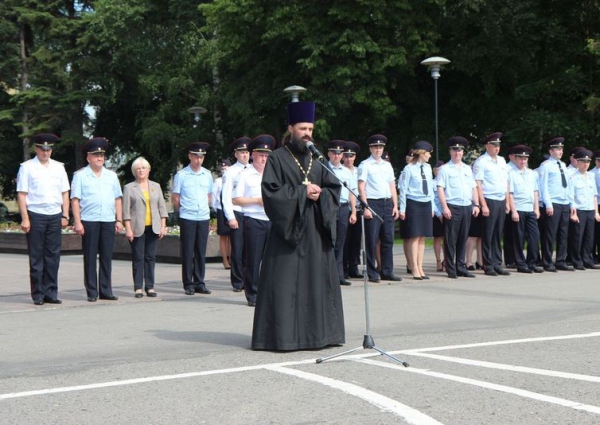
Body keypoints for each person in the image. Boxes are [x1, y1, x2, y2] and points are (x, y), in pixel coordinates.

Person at [251, 100, 345, 351]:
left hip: (315, 231)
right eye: (303, 128)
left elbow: (334, 189)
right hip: (288, 233)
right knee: (286, 286)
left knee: (316, 284)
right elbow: (271, 193)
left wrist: (320, 194)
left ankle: (319, 336)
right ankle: (283, 337)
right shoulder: (278, 159)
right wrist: (302, 192)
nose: (307, 134)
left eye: (311, 129)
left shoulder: (318, 157)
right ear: (291, 128)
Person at [16, 133, 70, 305]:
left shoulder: (58, 167)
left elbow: (65, 192)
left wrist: (65, 214)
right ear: (36, 149)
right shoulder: (27, 167)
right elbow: (22, 194)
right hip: (36, 214)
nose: (45, 152)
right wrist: (25, 218)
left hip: (54, 214)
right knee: (36, 256)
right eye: (42, 149)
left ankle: (51, 292)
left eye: (48, 149)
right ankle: (38, 293)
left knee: (53, 256)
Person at [71, 137, 123, 302]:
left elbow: (117, 199)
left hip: (108, 219)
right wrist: (77, 221)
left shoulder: (111, 176)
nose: (100, 158)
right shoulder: (80, 176)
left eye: (102, 155)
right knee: (90, 257)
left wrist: (119, 219)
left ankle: (106, 290)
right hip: (89, 220)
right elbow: (75, 200)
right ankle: (92, 291)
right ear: (88, 158)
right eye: (96, 155)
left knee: (107, 256)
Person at [232, 134, 275, 306]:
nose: (264, 158)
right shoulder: (245, 174)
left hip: (272, 220)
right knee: (253, 259)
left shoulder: (273, 174)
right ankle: (252, 294)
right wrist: (257, 201)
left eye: (267, 155)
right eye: (261, 155)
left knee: (271, 260)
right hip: (254, 220)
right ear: (253, 155)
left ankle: (268, 292)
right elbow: (236, 199)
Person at [122, 157, 168, 298]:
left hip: (153, 227)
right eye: (138, 168)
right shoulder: (129, 188)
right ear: (134, 172)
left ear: (148, 170)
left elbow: (162, 208)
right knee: (138, 258)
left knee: (150, 257)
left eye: (143, 168)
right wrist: (128, 229)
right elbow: (126, 211)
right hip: (137, 228)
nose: (141, 170)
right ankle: (138, 288)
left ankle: (150, 286)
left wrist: (163, 226)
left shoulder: (156, 186)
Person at [171, 142, 213, 296]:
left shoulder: (207, 174)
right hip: (187, 216)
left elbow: (209, 195)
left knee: (201, 252)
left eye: (201, 157)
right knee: (188, 251)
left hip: (203, 216)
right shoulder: (181, 175)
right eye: (196, 156)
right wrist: (184, 210)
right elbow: (176, 198)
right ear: (190, 156)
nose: (198, 160)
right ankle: (188, 283)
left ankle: (200, 282)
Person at [358, 134, 401, 283]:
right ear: (370, 148)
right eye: (375, 147)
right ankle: (372, 272)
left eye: (380, 147)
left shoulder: (387, 165)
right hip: (373, 202)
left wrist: (395, 205)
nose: (378, 150)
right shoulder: (365, 165)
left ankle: (387, 271)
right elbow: (361, 187)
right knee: (371, 239)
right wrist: (366, 207)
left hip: (387, 202)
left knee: (388, 239)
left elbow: (392, 186)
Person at [436, 136, 479, 279]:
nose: (457, 153)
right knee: (450, 239)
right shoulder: (445, 169)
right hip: (452, 206)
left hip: (466, 206)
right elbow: (440, 189)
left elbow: (473, 187)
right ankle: (450, 267)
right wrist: (444, 207)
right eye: (455, 150)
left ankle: (461, 267)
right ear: (450, 151)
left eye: (460, 150)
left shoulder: (467, 168)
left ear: (463, 152)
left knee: (463, 238)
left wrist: (476, 204)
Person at [473, 132, 510, 276]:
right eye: (494, 145)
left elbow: (505, 182)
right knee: (488, 234)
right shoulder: (481, 162)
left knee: (497, 234)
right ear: (487, 146)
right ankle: (488, 265)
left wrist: (507, 201)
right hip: (489, 199)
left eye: (498, 145)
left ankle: (497, 263)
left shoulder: (501, 161)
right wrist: (483, 204)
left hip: (501, 199)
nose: (497, 148)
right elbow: (478, 184)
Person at [398, 140, 435, 280]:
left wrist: (432, 206)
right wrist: (402, 209)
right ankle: (414, 267)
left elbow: (430, 188)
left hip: (425, 203)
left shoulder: (428, 167)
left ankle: (420, 266)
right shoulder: (409, 169)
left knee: (422, 237)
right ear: (421, 154)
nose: (429, 156)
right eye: (428, 154)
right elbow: (403, 190)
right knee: (414, 235)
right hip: (413, 203)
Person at [538, 137, 574, 272]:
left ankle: (560, 260)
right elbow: (544, 186)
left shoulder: (563, 165)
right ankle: (547, 261)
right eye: (557, 149)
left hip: (564, 202)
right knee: (550, 233)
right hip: (553, 202)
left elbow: (568, 186)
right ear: (551, 151)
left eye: (561, 149)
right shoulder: (546, 165)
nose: (560, 152)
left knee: (563, 233)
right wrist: (548, 203)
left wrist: (571, 203)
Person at [221, 137, 251, 292]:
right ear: (236, 154)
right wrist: (230, 217)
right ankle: (237, 281)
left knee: (249, 249)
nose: (245, 155)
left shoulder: (253, 170)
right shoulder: (231, 171)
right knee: (238, 249)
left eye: (247, 152)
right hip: (237, 212)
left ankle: (248, 279)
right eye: (242, 152)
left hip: (251, 213)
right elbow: (226, 197)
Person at [507, 145, 543, 274]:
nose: (523, 161)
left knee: (534, 236)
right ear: (515, 159)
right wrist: (514, 211)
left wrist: (536, 208)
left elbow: (535, 192)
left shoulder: (532, 174)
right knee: (519, 238)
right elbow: (510, 194)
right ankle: (521, 264)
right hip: (519, 209)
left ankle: (532, 262)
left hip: (530, 209)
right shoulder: (511, 174)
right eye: (521, 158)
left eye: (525, 159)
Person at [327, 140, 356, 286]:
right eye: (334, 153)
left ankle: (339, 275)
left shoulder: (346, 172)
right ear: (329, 154)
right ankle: (328, 275)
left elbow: (352, 192)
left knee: (340, 242)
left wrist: (354, 212)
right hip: (330, 208)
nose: (337, 156)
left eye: (339, 153)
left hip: (344, 207)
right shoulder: (324, 168)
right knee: (329, 241)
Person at [568, 149, 600, 270]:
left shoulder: (591, 177)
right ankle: (577, 260)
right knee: (577, 237)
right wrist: (573, 212)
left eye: (588, 161)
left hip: (590, 210)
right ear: (577, 162)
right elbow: (571, 196)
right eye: (583, 161)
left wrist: (596, 212)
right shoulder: (573, 177)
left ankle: (587, 259)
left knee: (589, 237)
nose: (586, 164)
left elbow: (594, 196)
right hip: (579, 210)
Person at [342, 141, 362, 279]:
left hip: (358, 209)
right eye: (347, 156)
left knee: (356, 239)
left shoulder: (358, 171)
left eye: (352, 156)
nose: (349, 159)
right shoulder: (340, 170)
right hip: (345, 209)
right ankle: (343, 267)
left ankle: (354, 266)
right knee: (344, 240)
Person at [213, 159, 232, 269]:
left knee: (233, 237)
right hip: (221, 209)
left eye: (226, 168)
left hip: (232, 209)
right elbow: (215, 197)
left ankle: (232, 259)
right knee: (224, 237)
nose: (224, 170)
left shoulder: (232, 179)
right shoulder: (218, 181)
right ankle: (225, 260)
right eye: (223, 169)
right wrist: (217, 210)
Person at [432, 160, 445, 272]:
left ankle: (447, 260)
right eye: (436, 169)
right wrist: (439, 214)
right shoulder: (432, 182)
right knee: (437, 238)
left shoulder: (447, 182)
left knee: (448, 238)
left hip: (447, 212)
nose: (438, 171)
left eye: (440, 169)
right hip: (437, 213)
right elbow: (432, 200)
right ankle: (438, 261)